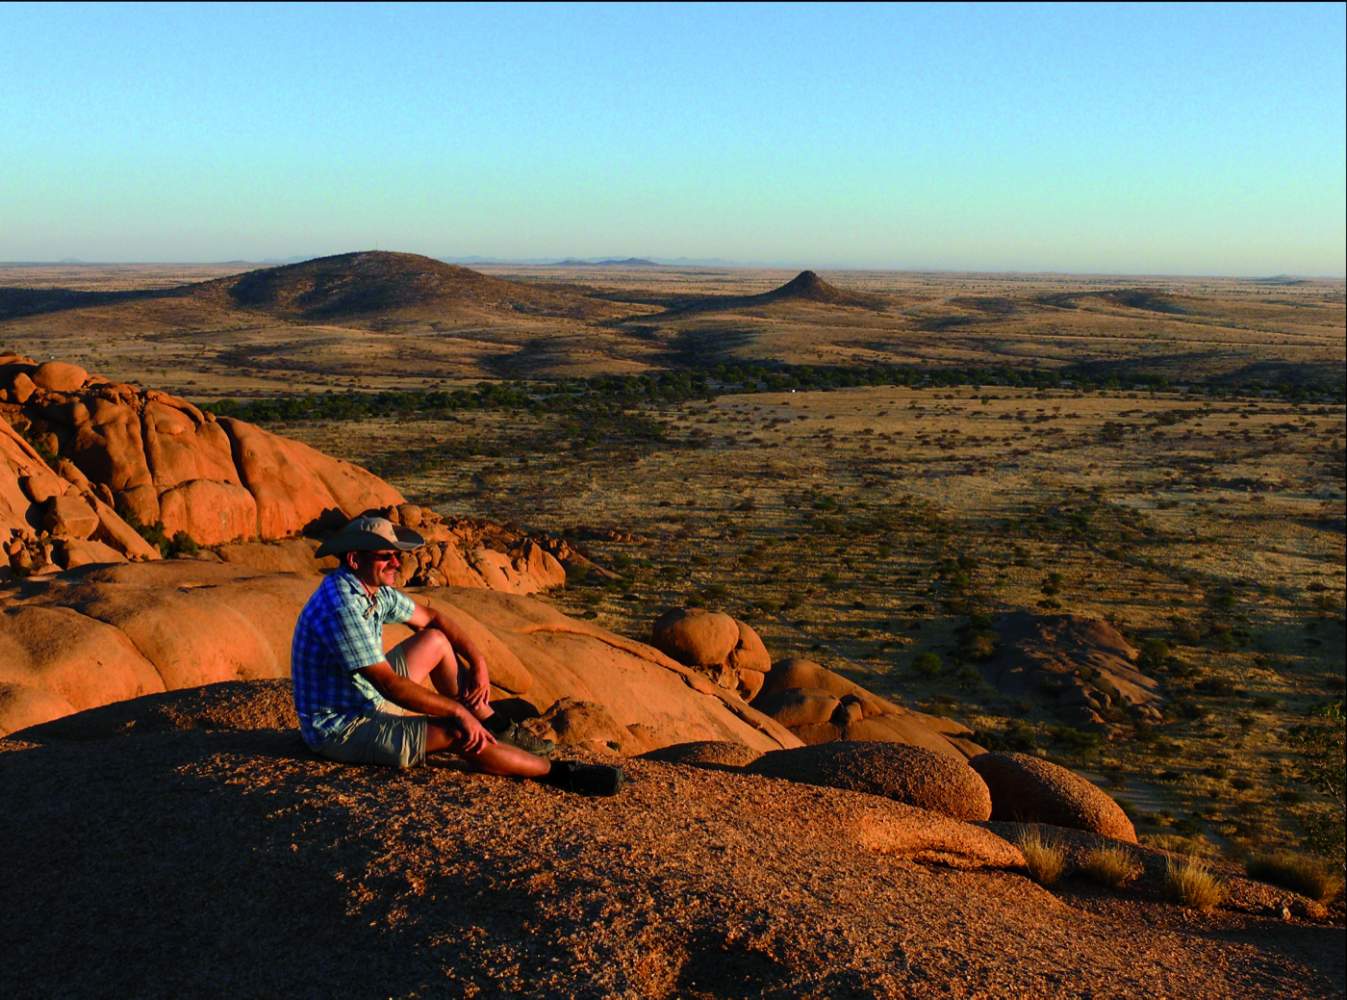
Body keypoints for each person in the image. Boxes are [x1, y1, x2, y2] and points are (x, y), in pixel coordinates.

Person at [291, 514, 623, 796]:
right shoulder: (343, 606)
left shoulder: (371, 589)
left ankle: (489, 720)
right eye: (385, 556)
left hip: (364, 696)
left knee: (435, 640)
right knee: (458, 733)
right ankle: (561, 773)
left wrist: (478, 663)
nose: (396, 563)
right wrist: (456, 714)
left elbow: (434, 619)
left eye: (396, 554)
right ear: (354, 560)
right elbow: (390, 686)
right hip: (343, 726)